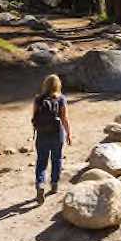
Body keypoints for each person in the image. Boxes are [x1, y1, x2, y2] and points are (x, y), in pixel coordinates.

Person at [31, 74, 72, 204]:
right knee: (57, 159)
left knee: (42, 161)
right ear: (58, 85)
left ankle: (40, 184)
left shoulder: (38, 99)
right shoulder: (61, 99)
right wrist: (69, 134)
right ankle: (54, 184)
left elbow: (34, 118)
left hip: (42, 134)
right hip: (57, 133)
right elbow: (64, 119)